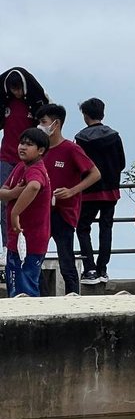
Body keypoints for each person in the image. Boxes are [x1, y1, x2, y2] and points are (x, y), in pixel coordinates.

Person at [36, 104, 101, 295]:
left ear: (56, 124)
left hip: (63, 213)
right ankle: (44, 297)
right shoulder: (39, 150)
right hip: (41, 212)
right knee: (35, 257)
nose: (41, 126)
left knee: (66, 259)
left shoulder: (71, 149)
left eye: (43, 122)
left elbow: (95, 174)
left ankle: (72, 297)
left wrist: (72, 191)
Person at [74, 98, 126, 285]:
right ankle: (103, 268)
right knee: (106, 229)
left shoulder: (80, 138)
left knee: (82, 228)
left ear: (85, 115)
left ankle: (89, 269)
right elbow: (122, 163)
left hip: (88, 190)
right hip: (110, 190)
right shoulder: (114, 136)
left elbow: (77, 164)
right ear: (102, 113)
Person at [0, 68, 48, 255]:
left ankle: (28, 242)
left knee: (32, 200)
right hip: (6, 157)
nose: (17, 93)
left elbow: (46, 122)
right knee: (5, 200)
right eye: (13, 89)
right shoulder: (5, 104)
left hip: (28, 161)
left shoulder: (34, 106)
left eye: (19, 89)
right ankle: (7, 244)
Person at [0, 127, 52, 297]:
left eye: (29, 145)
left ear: (41, 150)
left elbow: (34, 186)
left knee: (26, 288)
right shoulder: (20, 166)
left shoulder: (36, 169)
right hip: (15, 240)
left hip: (31, 240)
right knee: (14, 285)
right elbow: (3, 191)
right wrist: (14, 193)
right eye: (21, 143)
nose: (22, 147)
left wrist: (15, 213)